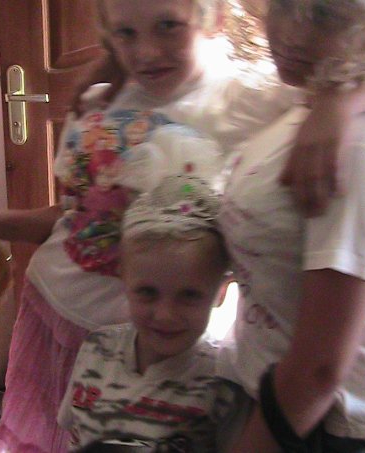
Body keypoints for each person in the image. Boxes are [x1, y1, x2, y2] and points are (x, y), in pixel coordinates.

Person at [0, 1, 365, 451]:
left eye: (168, 26)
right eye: (125, 33)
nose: (145, 51)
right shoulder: (99, 101)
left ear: (213, 16)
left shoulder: (254, 101)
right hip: (49, 315)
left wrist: (341, 100)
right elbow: (82, 219)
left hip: (151, 346)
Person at [213, 1, 365, 451]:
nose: (292, 33)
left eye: (325, 15)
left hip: (334, 429)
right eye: (283, 4)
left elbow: (319, 371)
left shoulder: (359, 154)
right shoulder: (308, 107)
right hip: (280, 402)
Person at [57, 151, 244, 452]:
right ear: (124, 278)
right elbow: (74, 435)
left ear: (220, 292)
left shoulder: (222, 382)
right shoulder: (96, 349)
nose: (165, 315)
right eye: (147, 292)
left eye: (189, 295)